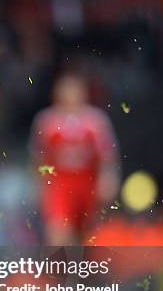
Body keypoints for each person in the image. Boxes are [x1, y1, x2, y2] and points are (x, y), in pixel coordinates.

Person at [29, 71, 119, 246]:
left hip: (87, 182)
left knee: (88, 235)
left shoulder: (95, 121)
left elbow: (107, 156)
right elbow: (37, 158)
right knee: (58, 233)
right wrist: (38, 186)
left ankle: (82, 270)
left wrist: (108, 180)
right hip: (59, 183)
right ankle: (60, 271)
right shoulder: (47, 121)